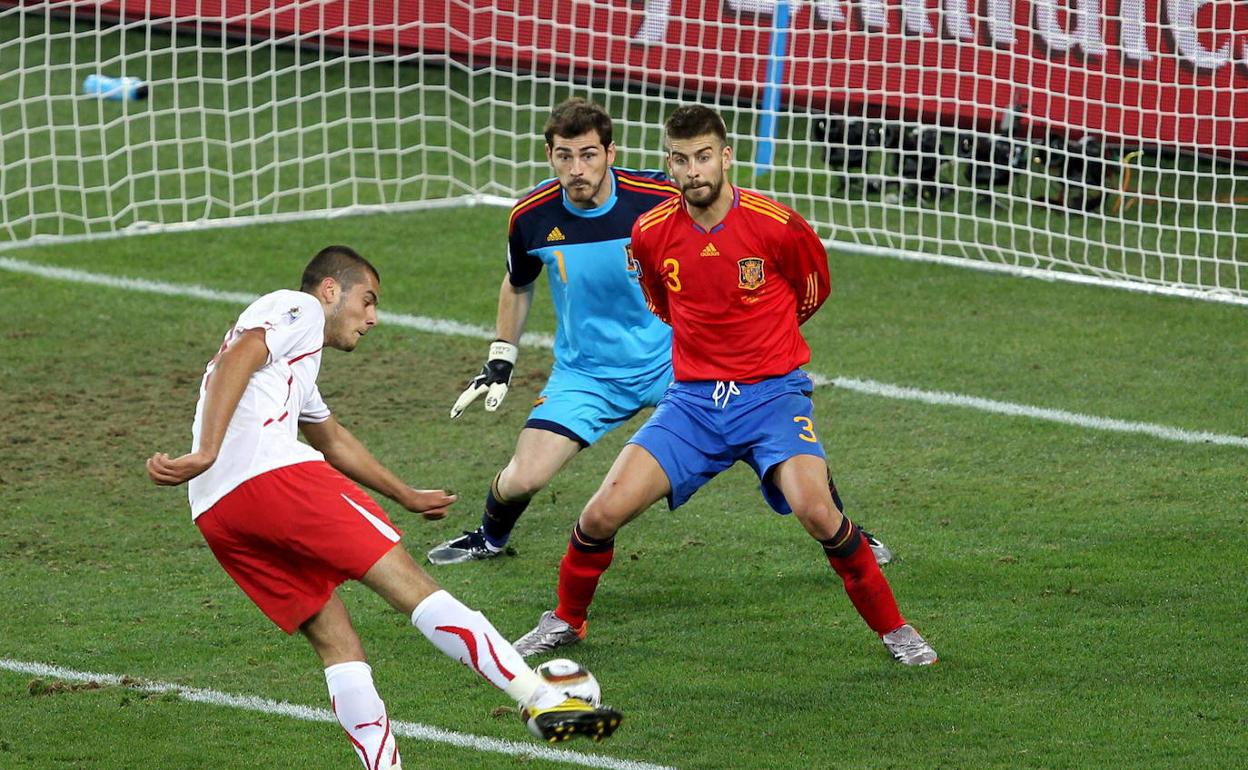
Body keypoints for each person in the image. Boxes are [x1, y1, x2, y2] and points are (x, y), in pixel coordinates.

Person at [145, 246, 621, 770]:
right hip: (271, 478)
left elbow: (330, 436)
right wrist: (207, 448)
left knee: (338, 644)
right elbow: (245, 354)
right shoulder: (298, 309)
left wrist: (405, 494)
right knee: (415, 590)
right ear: (331, 290)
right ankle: (543, 696)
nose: (372, 318)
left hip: (217, 511)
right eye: (367, 301)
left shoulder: (295, 365)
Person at [512, 106, 936, 666]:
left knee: (816, 511)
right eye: (681, 159)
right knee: (599, 515)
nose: (694, 171)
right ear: (668, 163)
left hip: (772, 396)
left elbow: (813, 289)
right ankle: (566, 620)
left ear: (726, 156)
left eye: (704, 157)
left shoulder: (777, 224)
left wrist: (768, 345)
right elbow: (662, 304)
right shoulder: (652, 232)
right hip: (692, 403)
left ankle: (896, 629)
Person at [432, 97, 894, 567]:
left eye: (588, 154)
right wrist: (501, 357)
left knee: (781, 443)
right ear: (549, 155)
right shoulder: (530, 216)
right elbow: (518, 281)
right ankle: (489, 537)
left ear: (611, 153)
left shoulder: (657, 198)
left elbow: (725, 227)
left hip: (673, 364)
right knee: (524, 476)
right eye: (564, 156)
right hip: (587, 374)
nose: (576, 169)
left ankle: (845, 530)